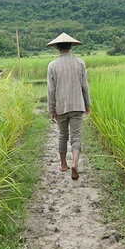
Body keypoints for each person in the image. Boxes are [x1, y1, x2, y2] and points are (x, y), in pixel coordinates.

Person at [46, 33, 91, 180]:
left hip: (61, 106)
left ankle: (64, 164)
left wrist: (51, 109)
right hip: (78, 105)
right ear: (71, 46)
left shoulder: (52, 65)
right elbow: (85, 86)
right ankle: (75, 163)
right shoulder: (80, 63)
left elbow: (51, 90)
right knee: (76, 136)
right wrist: (87, 104)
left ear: (57, 48)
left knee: (62, 135)